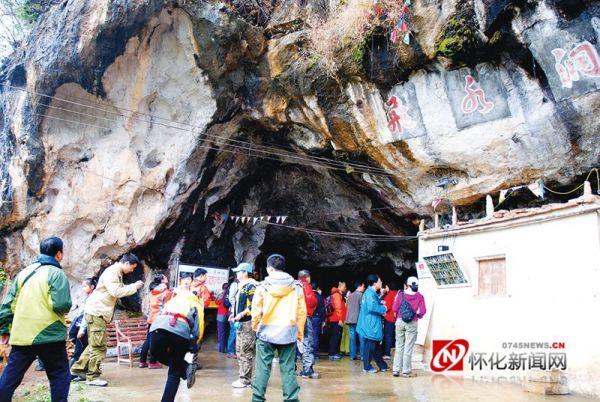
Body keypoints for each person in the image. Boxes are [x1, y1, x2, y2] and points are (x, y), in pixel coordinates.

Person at [0, 237, 72, 402]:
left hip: (22, 336)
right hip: (50, 335)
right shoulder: (56, 273)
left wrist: (4, 330)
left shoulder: (23, 274)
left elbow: (7, 306)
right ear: (59, 254)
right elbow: (61, 305)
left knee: (9, 379)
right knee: (59, 376)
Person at [71, 253, 144, 386]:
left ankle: (78, 370)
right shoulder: (112, 272)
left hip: (98, 312)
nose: (132, 270)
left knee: (94, 344)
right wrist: (134, 286)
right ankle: (92, 377)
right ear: (126, 263)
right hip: (97, 312)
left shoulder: (116, 272)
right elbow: (116, 292)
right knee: (99, 346)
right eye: (132, 267)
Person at [251, 254, 307, 402]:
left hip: (266, 334)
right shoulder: (296, 287)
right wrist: (299, 334)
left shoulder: (262, 286)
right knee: (288, 370)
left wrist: (256, 327)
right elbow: (301, 312)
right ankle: (291, 399)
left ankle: (257, 399)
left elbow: (255, 311)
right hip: (288, 333)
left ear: (269, 268)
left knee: (262, 369)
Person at [150, 271, 204, 402]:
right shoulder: (196, 303)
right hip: (180, 331)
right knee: (174, 371)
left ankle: (183, 367)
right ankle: (184, 367)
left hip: (159, 327)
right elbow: (199, 327)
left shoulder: (173, 299)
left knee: (156, 354)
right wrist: (195, 345)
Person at [230, 262, 258, 389]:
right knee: (239, 351)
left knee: (246, 351)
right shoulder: (241, 285)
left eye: (239, 271)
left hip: (247, 323)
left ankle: (245, 380)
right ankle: (242, 377)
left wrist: (241, 314)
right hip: (240, 323)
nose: (236, 273)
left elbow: (255, 304)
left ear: (245, 272)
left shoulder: (251, 285)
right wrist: (233, 314)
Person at [392, 276, 426, 378]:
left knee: (399, 346)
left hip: (400, 321)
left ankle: (396, 370)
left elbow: (394, 308)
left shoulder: (401, 294)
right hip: (412, 323)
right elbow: (423, 311)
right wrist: (417, 316)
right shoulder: (420, 296)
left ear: (408, 285)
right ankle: (406, 371)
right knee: (408, 347)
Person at [357, 274, 388, 374]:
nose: (381, 283)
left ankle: (382, 365)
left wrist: (380, 303)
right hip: (371, 324)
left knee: (375, 346)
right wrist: (383, 308)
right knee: (370, 346)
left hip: (370, 322)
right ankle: (367, 367)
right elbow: (372, 307)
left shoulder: (370, 293)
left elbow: (373, 304)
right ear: (375, 283)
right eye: (379, 281)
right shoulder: (370, 293)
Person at [140, 274, 172, 368]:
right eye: (165, 277)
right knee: (156, 341)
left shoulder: (152, 292)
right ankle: (153, 362)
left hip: (151, 318)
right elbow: (167, 307)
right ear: (162, 281)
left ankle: (142, 361)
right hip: (159, 320)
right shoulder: (166, 292)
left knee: (148, 340)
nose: (167, 278)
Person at [68, 278, 96, 366]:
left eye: (85, 286)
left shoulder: (93, 298)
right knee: (80, 348)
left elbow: (87, 314)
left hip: (86, 326)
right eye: (82, 286)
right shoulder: (88, 297)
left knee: (79, 349)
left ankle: (75, 371)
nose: (83, 288)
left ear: (92, 287)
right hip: (81, 325)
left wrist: (82, 329)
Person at [297, 270, 319, 379]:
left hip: (294, 318)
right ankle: (307, 370)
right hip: (305, 317)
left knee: (295, 343)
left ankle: (292, 369)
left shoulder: (293, 285)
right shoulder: (305, 285)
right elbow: (312, 301)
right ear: (308, 277)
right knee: (307, 342)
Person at [327, 281, 347, 360]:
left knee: (335, 336)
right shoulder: (337, 294)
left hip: (334, 318)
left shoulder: (336, 294)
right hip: (336, 319)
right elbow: (338, 308)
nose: (345, 288)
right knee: (335, 336)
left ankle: (334, 352)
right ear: (340, 285)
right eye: (344, 286)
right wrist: (340, 320)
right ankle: (332, 353)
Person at [345, 281, 365, 360]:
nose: (364, 288)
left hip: (350, 319)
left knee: (352, 338)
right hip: (358, 320)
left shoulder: (350, 296)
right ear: (359, 286)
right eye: (363, 286)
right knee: (361, 338)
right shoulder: (361, 295)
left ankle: (352, 356)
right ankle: (363, 356)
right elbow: (362, 308)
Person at [382, 283, 398, 360]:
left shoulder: (389, 294)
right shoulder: (398, 294)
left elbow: (387, 307)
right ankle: (394, 351)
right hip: (396, 318)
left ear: (388, 287)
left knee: (387, 336)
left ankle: (387, 353)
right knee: (395, 336)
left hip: (389, 318)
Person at [311, 284, 325, 359]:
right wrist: (323, 319)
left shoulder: (308, 295)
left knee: (306, 336)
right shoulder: (320, 297)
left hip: (308, 317)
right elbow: (323, 310)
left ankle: (302, 354)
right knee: (315, 336)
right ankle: (315, 354)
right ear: (317, 288)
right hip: (317, 318)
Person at [215, 283, 230, 354]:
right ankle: (227, 348)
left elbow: (216, 302)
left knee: (221, 333)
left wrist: (220, 294)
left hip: (221, 316)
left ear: (222, 288)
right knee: (228, 333)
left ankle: (221, 349)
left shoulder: (221, 294)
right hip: (229, 315)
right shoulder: (231, 293)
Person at [226, 278, 238, 358]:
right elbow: (231, 298)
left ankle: (233, 351)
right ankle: (230, 351)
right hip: (234, 312)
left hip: (237, 312)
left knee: (236, 332)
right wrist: (236, 307)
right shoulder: (235, 284)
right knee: (233, 332)